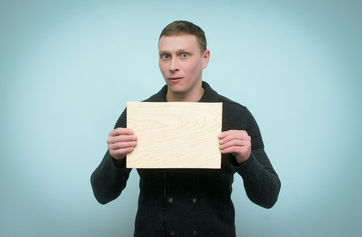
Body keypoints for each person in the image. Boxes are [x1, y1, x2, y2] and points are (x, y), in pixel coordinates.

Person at [91, 20, 281, 237]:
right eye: (165, 56)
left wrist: (246, 160)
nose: (173, 66)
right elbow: (102, 194)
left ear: (205, 58)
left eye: (184, 55)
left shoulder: (237, 115)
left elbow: (269, 197)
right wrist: (115, 160)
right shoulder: (138, 115)